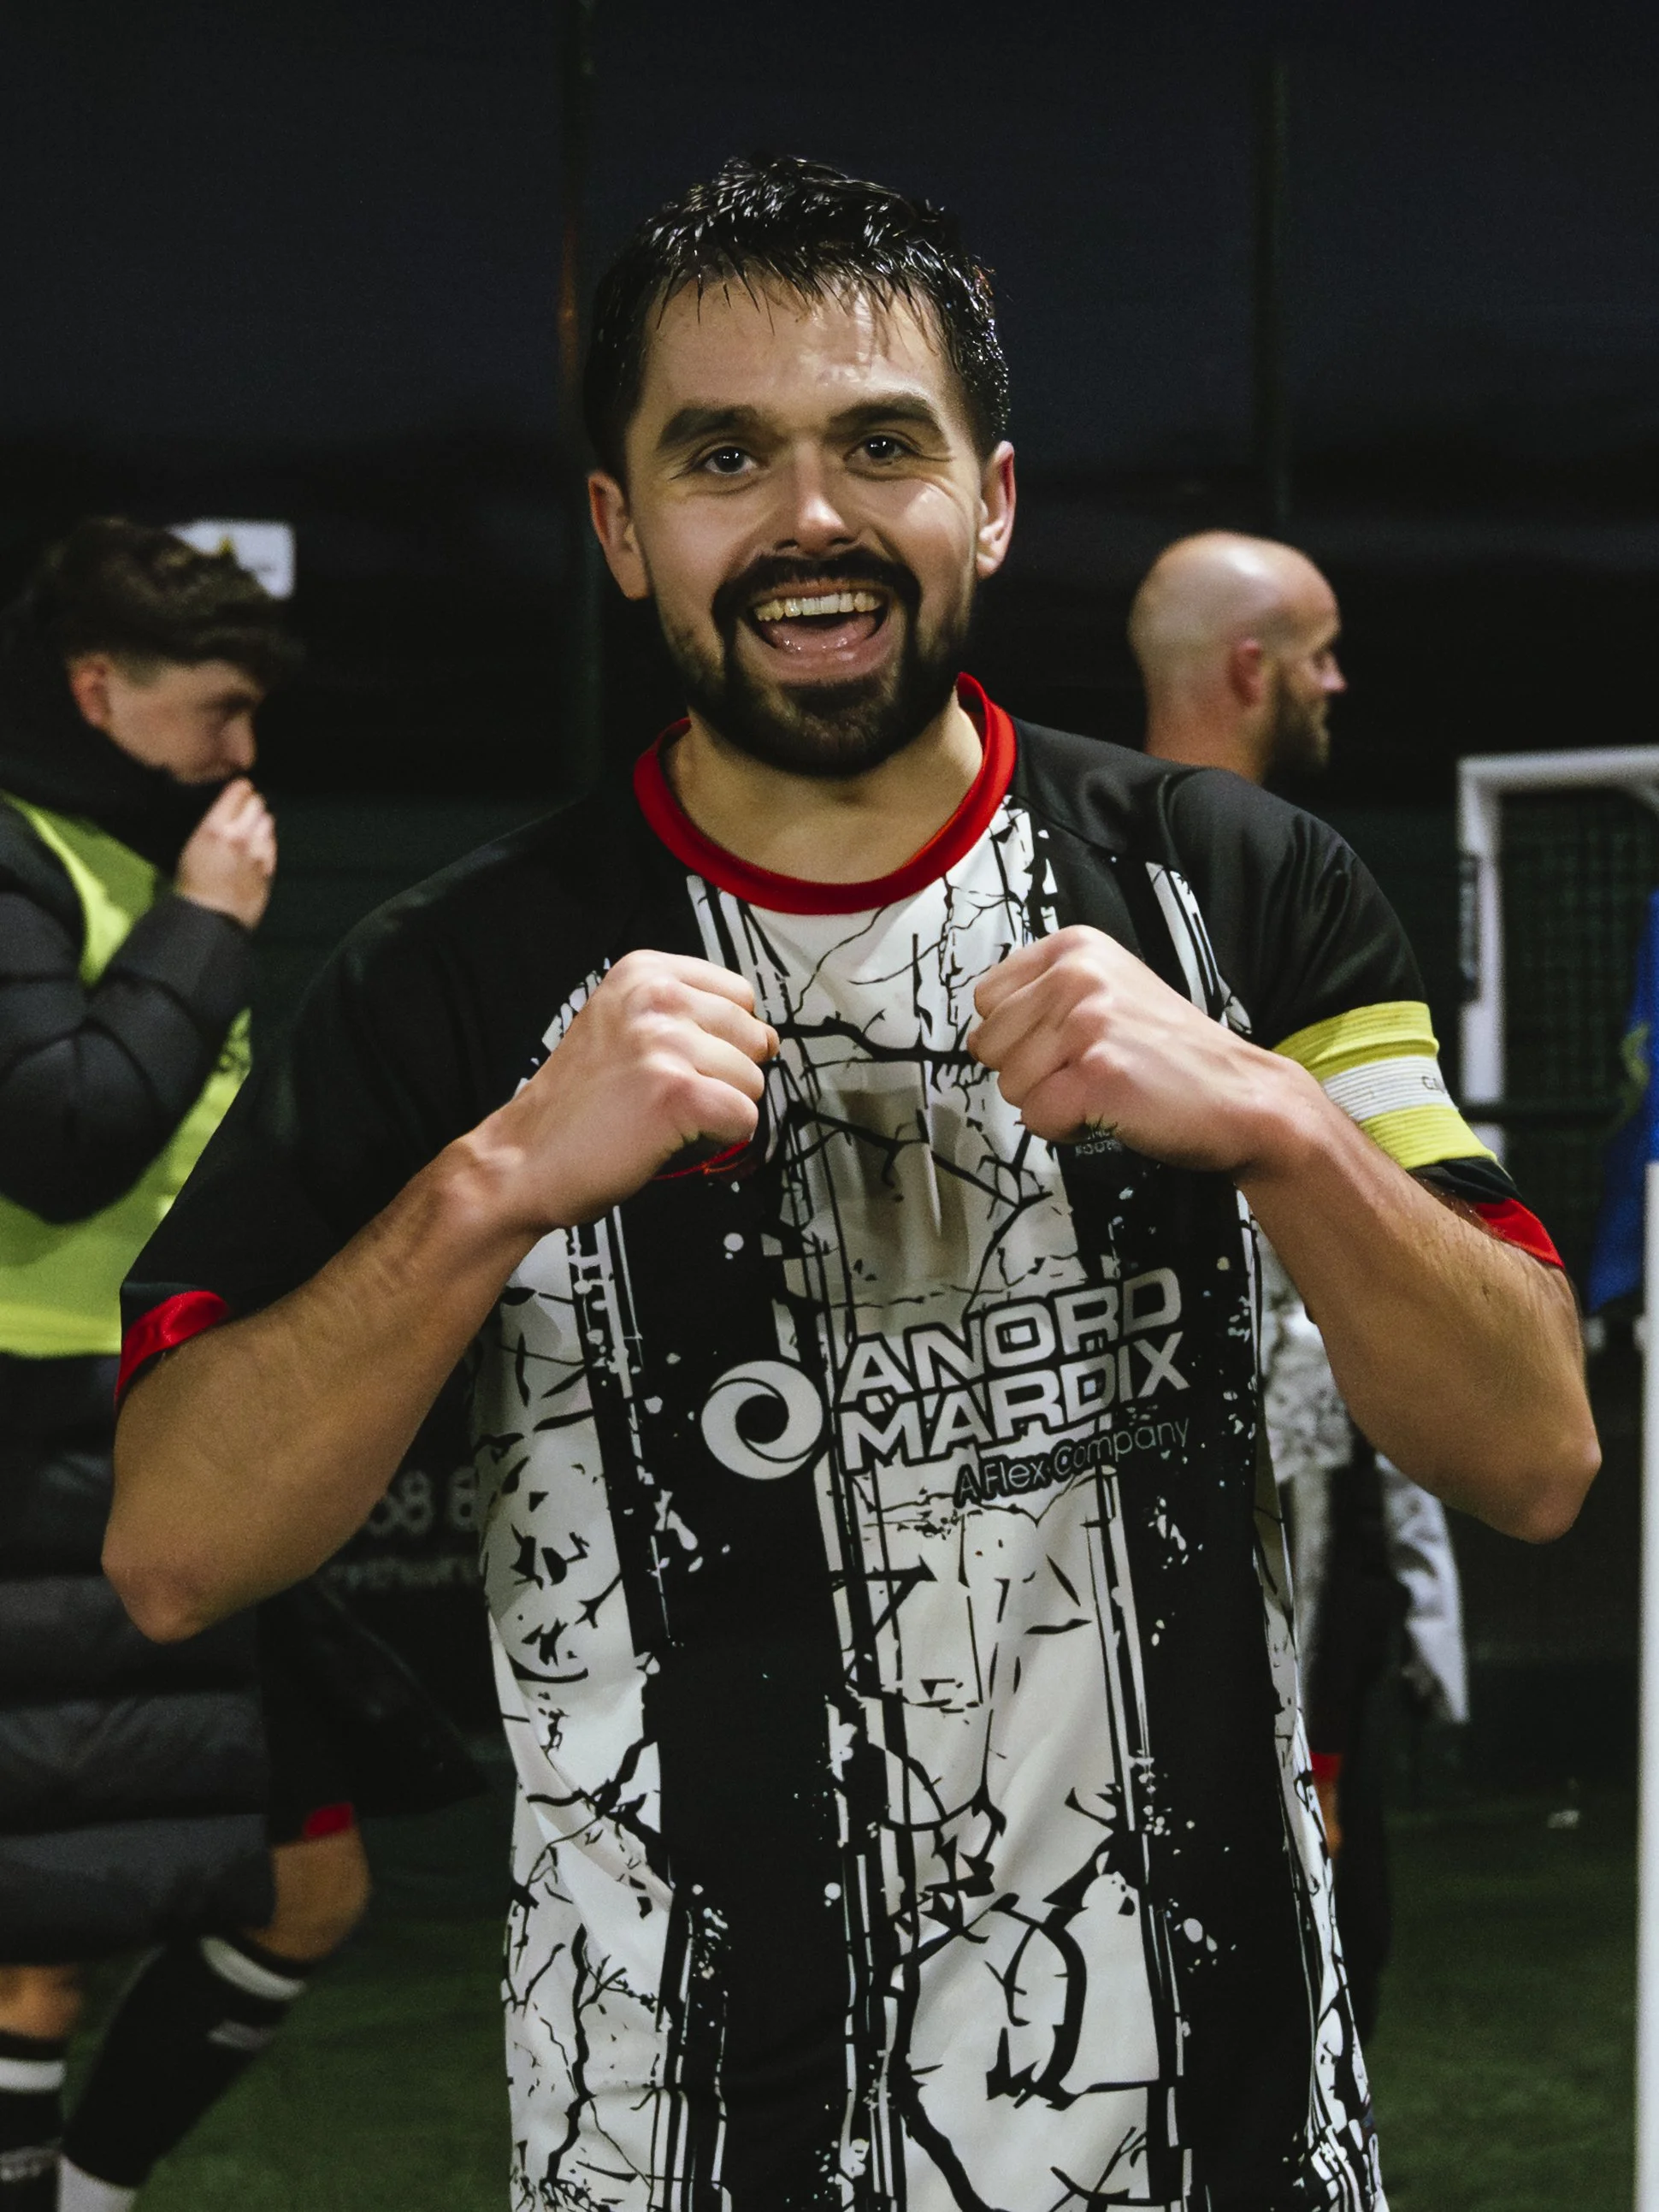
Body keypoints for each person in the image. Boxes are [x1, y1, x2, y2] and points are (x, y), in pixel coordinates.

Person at [104, 161, 1596, 2210]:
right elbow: (175, 1545)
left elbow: (1532, 1454)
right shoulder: (452, 976)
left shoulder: (1238, 886)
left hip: (1219, 2131)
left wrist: (1281, 1120)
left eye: (877, 445)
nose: (809, 516)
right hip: (685, 2148)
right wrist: (494, 1186)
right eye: (724, 455)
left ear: (985, 497)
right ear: (627, 534)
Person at [0, 520, 363, 2212]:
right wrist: (210, 925)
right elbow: (64, 1137)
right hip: (40, 1448)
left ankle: (91, 2187)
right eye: (216, 712)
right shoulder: (23, 851)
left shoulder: (118, 859)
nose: (242, 756)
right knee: (40, 1955)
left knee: (316, 1890)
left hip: (171, 1435)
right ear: (97, 690)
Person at [1133, 530, 1483, 2035]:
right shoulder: (1103, 909)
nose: (1341, 681)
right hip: (1176, 1609)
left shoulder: (1316, 909)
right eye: (1322, 650)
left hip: (1310, 1568)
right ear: (1250, 667)